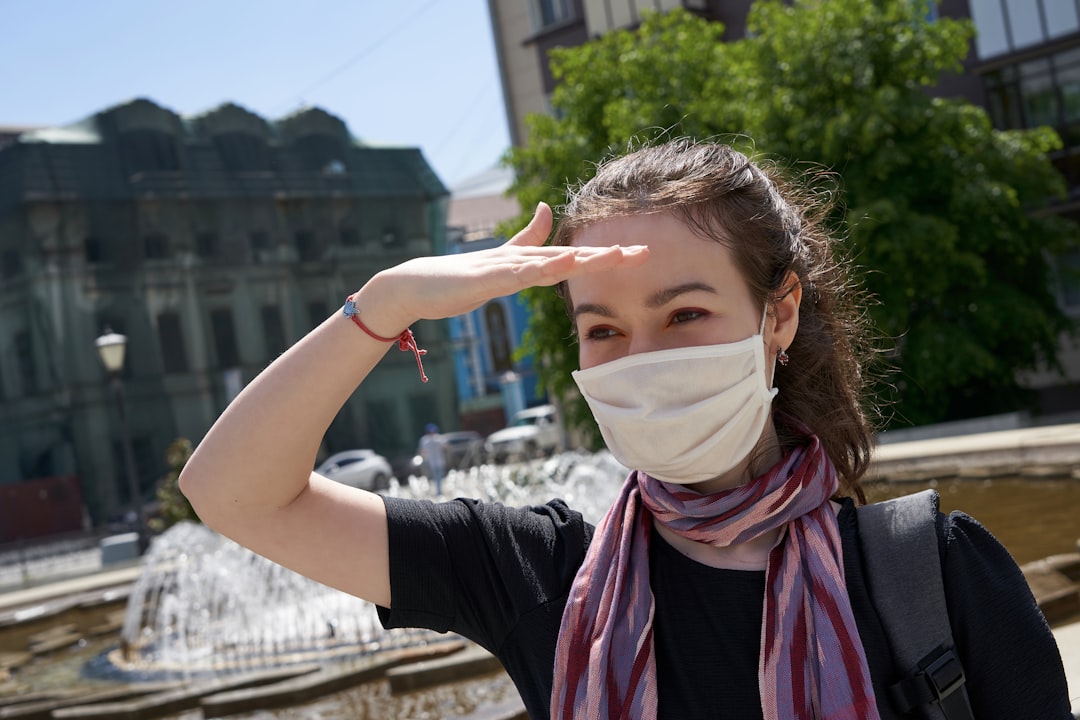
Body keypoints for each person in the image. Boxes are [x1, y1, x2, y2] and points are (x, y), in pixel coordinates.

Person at [179, 138, 1072, 719]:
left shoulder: (934, 575)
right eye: (602, 329)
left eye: (684, 315)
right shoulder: (539, 575)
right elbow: (232, 493)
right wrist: (386, 304)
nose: (639, 356)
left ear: (779, 315)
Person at [418, 423, 446, 495]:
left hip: (433, 461)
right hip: (433, 461)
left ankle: (438, 491)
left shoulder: (425, 440)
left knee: (437, 477)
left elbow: (422, 452)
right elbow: (445, 447)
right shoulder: (437, 438)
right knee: (436, 477)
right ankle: (438, 491)